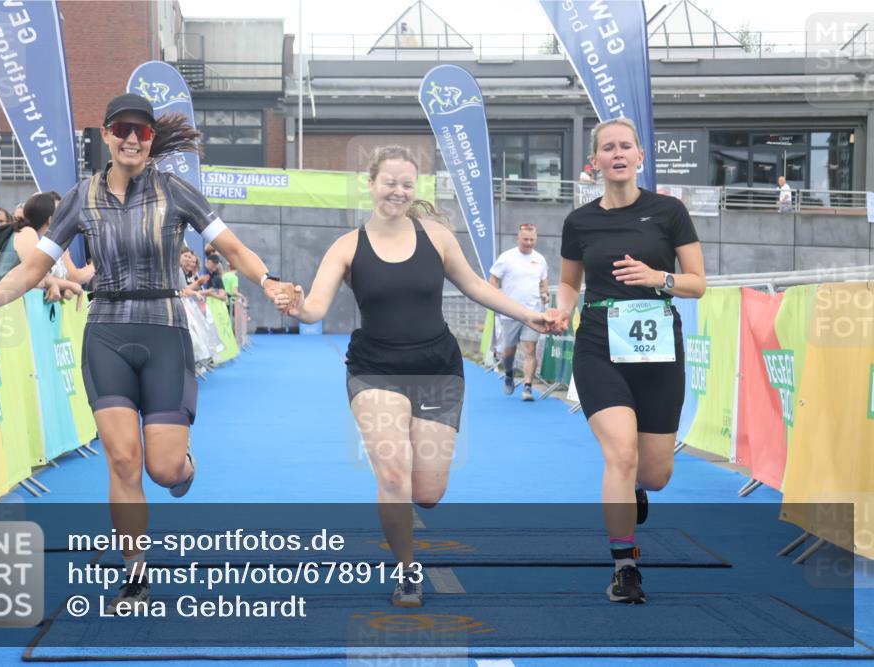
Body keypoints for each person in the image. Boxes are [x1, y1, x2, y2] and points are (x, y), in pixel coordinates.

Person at [0, 93, 293, 614]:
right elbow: (34, 268)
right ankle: (135, 573)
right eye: (122, 129)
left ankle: (182, 466)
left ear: (151, 139)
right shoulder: (79, 198)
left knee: (162, 469)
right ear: (107, 135)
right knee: (122, 459)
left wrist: (267, 279)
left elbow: (231, 246)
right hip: (106, 333)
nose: (132, 138)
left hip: (164, 334)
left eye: (142, 131)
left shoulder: (177, 191)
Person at [279, 145, 551, 608]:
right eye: (389, 182)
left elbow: (477, 286)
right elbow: (315, 308)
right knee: (392, 473)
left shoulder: (438, 237)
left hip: (437, 369)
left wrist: (530, 315)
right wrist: (297, 303)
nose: (398, 191)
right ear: (371, 183)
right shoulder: (347, 246)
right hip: (374, 371)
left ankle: (410, 530)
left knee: (428, 492)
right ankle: (406, 570)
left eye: (407, 184)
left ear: (415, 189)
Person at [546, 118, 706, 604]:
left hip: (657, 347)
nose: (617, 154)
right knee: (619, 451)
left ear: (640, 156)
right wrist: (562, 308)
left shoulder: (669, 211)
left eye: (626, 146)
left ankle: (635, 487)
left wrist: (657, 276)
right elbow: (570, 282)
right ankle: (625, 567)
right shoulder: (579, 221)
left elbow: (697, 282)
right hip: (598, 344)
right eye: (607, 148)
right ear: (594, 162)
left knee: (653, 473)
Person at [489, 223, 549, 401]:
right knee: (508, 352)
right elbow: (493, 278)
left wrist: (544, 294)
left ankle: (528, 387)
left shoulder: (540, 259)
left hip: (533, 312)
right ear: (518, 238)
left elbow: (544, 282)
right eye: (525, 239)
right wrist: (496, 297)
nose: (529, 243)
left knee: (530, 348)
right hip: (511, 313)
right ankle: (509, 373)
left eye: (532, 240)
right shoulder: (506, 258)